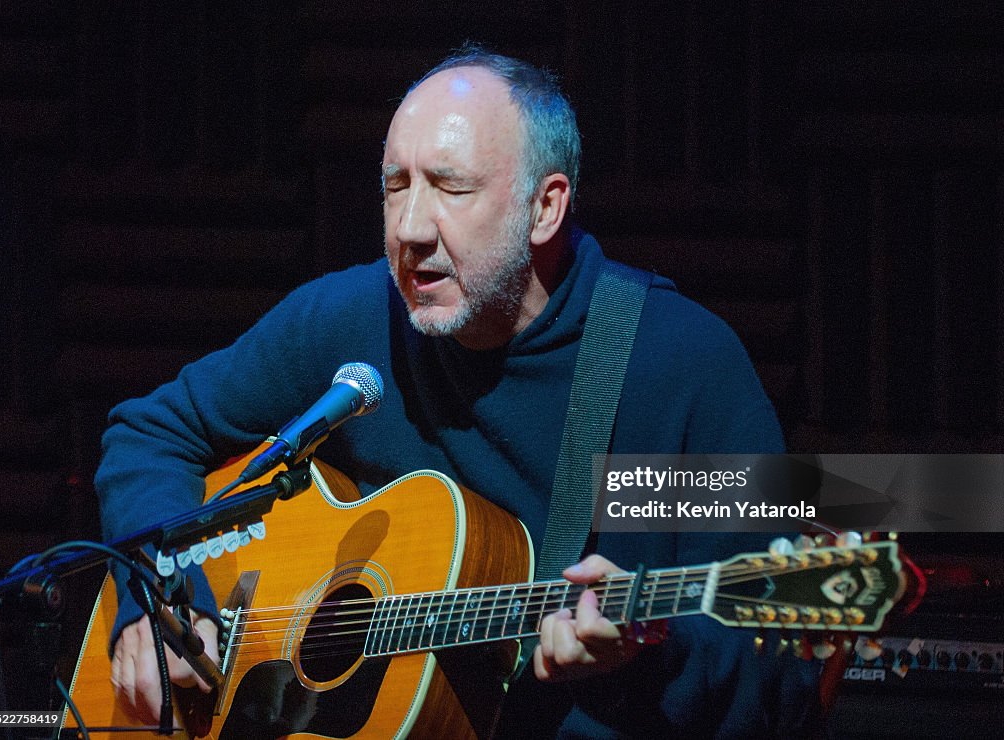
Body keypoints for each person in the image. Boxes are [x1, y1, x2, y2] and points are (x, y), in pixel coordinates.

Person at [97, 46, 820, 737]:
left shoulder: (678, 367)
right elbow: (152, 432)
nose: (410, 228)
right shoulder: (349, 323)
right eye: (395, 186)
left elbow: (773, 669)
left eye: (450, 187)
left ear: (546, 208)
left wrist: (643, 656)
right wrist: (155, 599)